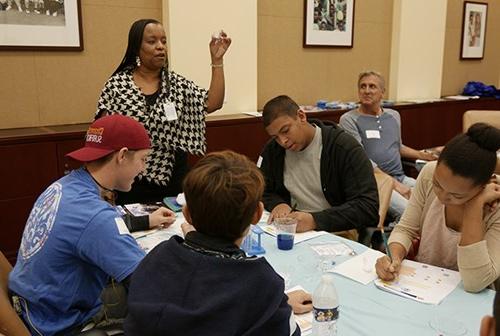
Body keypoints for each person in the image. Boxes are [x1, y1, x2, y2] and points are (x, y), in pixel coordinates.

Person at [8, 115, 175, 335]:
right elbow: (146, 282)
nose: (143, 169)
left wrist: (146, 220)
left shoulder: (63, 187)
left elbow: (87, 227)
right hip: (58, 324)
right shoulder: (96, 217)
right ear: (123, 155)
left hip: (32, 306)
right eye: (143, 159)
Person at [125, 150, 312, 335]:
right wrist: (277, 303)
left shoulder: (157, 257)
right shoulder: (261, 284)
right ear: (257, 214)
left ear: (187, 214)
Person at [95, 18, 231, 205]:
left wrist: (217, 60)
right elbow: (104, 138)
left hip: (172, 181)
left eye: (164, 41)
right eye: (152, 41)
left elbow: (213, 102)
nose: (160, 47)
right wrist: (103, 185)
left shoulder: (176, 84)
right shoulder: (117, 86)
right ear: (136, 48)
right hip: (128, 180)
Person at [375, 123, 500, 293]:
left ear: (483, 187)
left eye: (456, 196)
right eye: (437, 185)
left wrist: (474, 208)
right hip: (424, 285)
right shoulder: (428, 172)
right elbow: (405, 229)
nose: (442, 197)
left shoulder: (495, 207)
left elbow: (475, 282)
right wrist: (393, 256)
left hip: (472, 300)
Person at [259, 95, 379, 239]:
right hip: (292, 229)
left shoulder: (343, 147)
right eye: (275, 137)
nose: (282, 141)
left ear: (301, 116)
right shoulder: (273, 150)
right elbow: (263, 189)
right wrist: (278, 204)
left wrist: (315, 220)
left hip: (336, 231)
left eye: (285, 131)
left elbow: (367, 208)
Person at [339, 71, 437, 224]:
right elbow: (360, 159)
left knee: (436, 198)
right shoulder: (349, 119)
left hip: (400, 177)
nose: (366, 91)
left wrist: (423, 155)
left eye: (372, 86)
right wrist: (395, 185)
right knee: (408, 212)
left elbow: (397, 146)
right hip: (374, 183)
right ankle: (388, 243)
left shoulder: (393, 115)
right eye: (362, 86)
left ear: (382, 92)